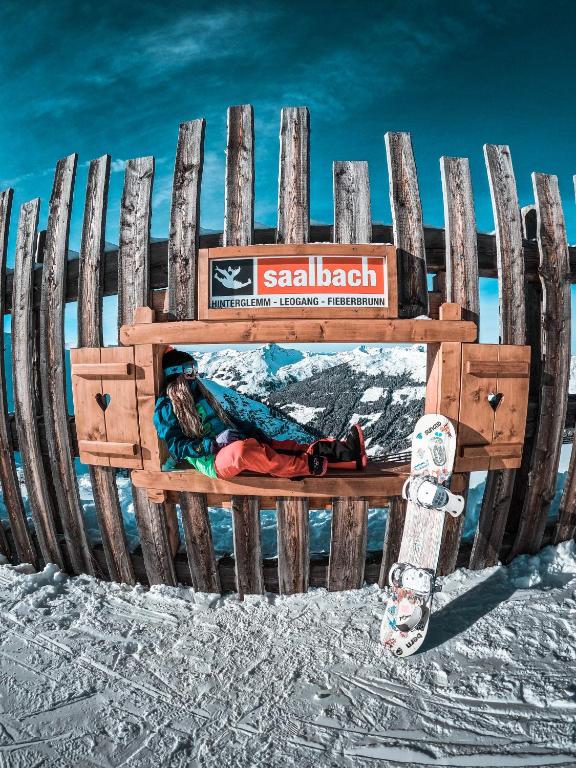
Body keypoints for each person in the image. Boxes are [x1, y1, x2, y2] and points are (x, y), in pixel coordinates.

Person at [153, 348, 368, 481]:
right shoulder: (167, 407)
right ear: (175, 374)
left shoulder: (200, 394)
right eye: (189, 370)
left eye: (195, 368)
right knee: (243, 451)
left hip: (230, 443)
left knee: (282, 445)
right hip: (213, 460)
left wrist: (251, 431)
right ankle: (306, 467)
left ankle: (348, 455)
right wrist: (213, 444)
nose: (195, 374)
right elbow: (176, 447)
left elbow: (227, 419)